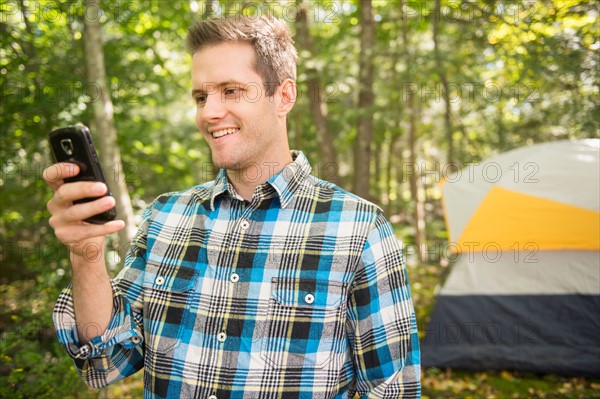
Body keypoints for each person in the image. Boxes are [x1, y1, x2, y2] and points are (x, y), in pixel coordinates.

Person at [45, 16, 421, 399]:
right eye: (200, 97)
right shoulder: (165, 217)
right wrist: (86, 255)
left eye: (231, 91)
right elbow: (105, 360)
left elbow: (392, 390)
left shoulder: (358, 228)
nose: (209, 112)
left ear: (284, 97)